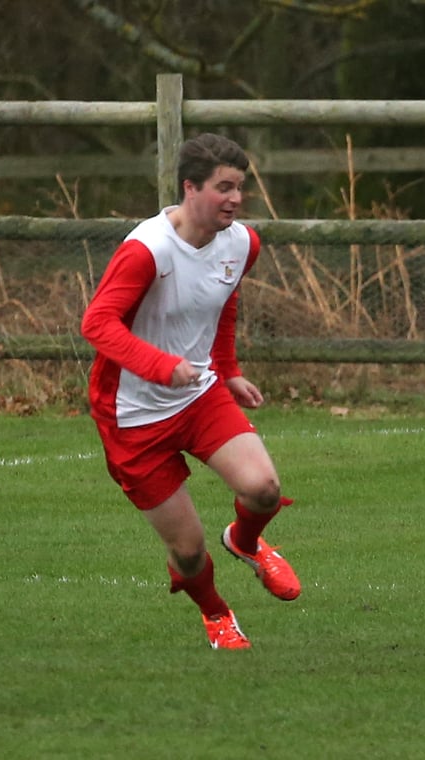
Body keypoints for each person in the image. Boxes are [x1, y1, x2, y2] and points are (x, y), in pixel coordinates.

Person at [81, 133, 300, 650]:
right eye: (224, 188)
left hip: (198, 395)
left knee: (263, 488)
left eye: (240, 188)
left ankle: (244, 543)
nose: (235, 199)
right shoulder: (148, 249)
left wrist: (226, 370)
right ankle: (216, 613)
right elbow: (98, 323)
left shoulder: (242, 243)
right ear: (190, 188)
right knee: (187, 548)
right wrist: (160, 366)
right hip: (132, 415)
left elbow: (221, 301)